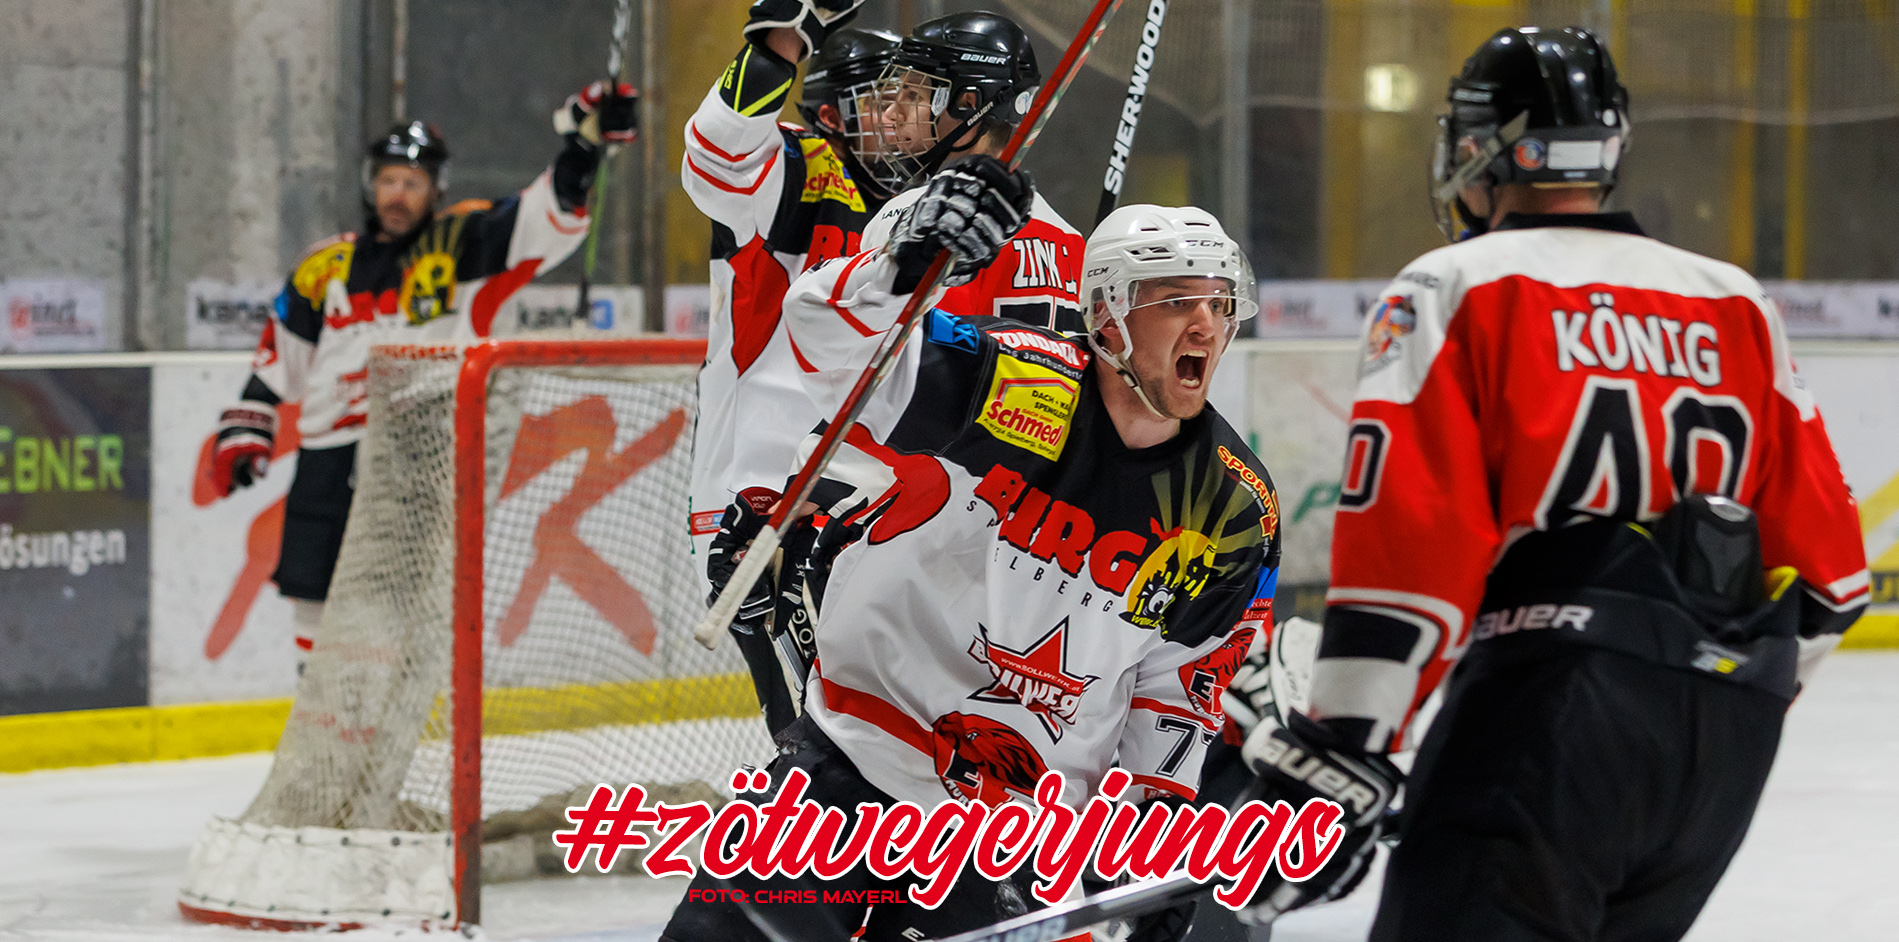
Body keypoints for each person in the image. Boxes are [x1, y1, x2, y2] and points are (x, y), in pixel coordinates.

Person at [1233, 27, 1870, 941]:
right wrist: (1704, 695)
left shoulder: (1455, 282)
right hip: (1722, 751)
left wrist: (1345, 742)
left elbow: (1411, 540)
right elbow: (1832, 582)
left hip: (1549, 708)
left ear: (1484, 146)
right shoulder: (1732, 298)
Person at [667, 195, 1280, 941]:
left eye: (1219, 303)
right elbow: (825, 337)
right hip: (849, 769)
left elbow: (1179, 693)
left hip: (1010, 842)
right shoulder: (1019, 381)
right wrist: (900, 263)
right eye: (1175, 300)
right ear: (1107, 314)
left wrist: (1155, 849)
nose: (1206, 325)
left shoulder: (1234, 507)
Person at [688, 5, 1086, 735]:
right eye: (879, 95)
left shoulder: (924, 217)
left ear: (968, 105)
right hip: (1019, 548)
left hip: (901, 528)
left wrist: (807, 503)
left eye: (909, 96)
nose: (886, 115)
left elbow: (901, 392)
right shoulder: (1065, 241)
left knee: (842, 750)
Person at [209, 87, 638, 660]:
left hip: (419, 455)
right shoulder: (326, 267)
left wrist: (581, 149)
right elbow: (280, 356)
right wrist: (249, 422)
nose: (397, 194)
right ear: (370, 184)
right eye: (388, 180)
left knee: (401, 608)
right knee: (313, 596)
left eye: (412, 182)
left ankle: (385, 705)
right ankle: (322, 706)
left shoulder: (467, 244)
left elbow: (547, 213)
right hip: (328, 454)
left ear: (437, 188)